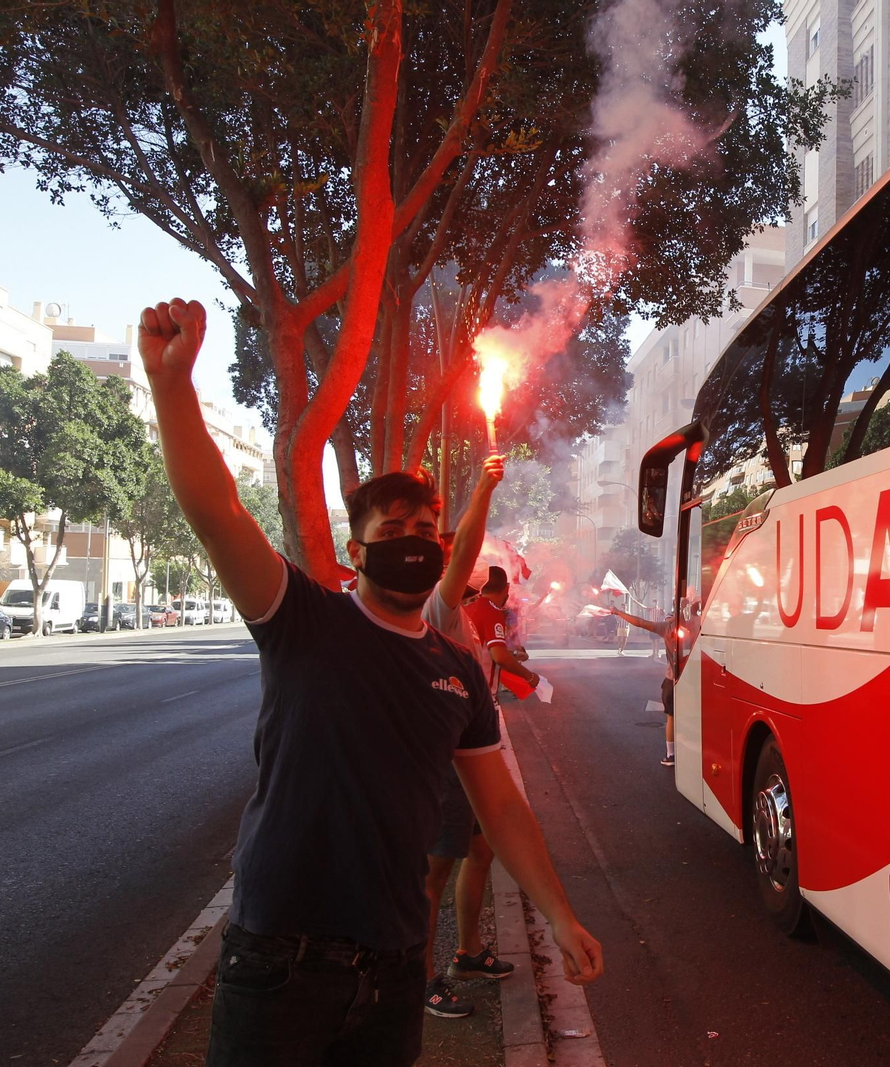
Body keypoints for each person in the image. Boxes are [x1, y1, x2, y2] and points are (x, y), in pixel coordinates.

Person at [138, 298, 601, 1067]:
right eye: (393, 533)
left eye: (425, 532)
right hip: (281, 959)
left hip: (393, 963)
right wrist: (173, 387)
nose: (414, 545)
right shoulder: (301, 619)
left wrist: (560, 912)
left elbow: (502, 806)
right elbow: (216, 512)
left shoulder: (456, 672)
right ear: (357, 553)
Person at [420, 461, 517, 1020]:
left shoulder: (467, 616)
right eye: (463, 556)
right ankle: (423, 977)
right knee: (433, 873)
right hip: (448, 764)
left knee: (481, 850)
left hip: (477, 755)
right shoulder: (442, 604)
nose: (472, 562)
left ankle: (467, 953)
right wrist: (483, 486)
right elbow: (460, 553)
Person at [606, 604, 685, 767]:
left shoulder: (667, 628)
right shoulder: (695, 624)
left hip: (673, 679)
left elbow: (640, 622)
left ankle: (671, 754)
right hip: (693, 679)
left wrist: (618, 612)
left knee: (671, 716)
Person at [467, 567, 540, 695]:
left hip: (466, 686)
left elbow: (483, 648)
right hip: (482, 692)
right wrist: (530, 677)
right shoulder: (492, 611)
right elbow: (499, 657)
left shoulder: (469, 608)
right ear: (506, 588)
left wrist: (514, 654)